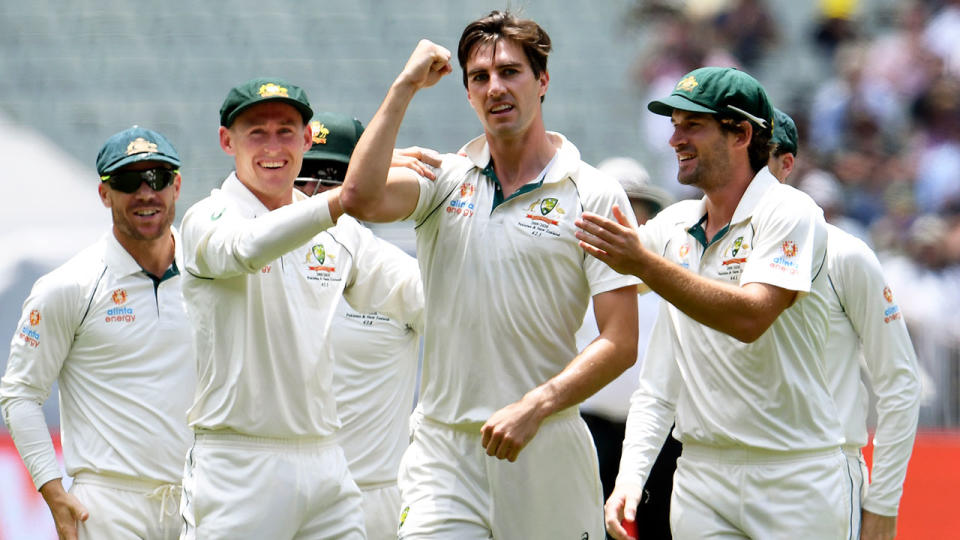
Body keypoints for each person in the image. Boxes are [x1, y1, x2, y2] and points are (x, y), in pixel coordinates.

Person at [340, 11, 641, 540]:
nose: (495, 87)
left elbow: (620, 341)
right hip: (444, 453)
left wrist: (536, 405)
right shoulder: (444, 179)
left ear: (542, 81)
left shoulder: (592, 193)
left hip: (545, 443)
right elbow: (359, 197)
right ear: (466, 92)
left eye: (510, 72)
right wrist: (405, 86)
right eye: (479, 77)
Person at [575, 67, 854, 539]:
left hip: (795, 478)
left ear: (741, 133)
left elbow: (750, 316)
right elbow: (660, 384)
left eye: (692, 125)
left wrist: (645, 265)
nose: (674, 139)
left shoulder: (791, 212)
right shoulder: (675, 225)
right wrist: (629, 477)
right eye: (674, 124)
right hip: (701, 478)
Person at [178, 78, 422, 539]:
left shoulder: (342, 235)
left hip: (327, 463)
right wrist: (341, 197)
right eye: (257, 132)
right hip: (239, 467)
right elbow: (246, 248)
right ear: (226, 141)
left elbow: (423, 297)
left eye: (286, 131)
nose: (274, 146)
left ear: (306, 139)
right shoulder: (207, 219)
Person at [0, 126, 194, 540]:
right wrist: (52, 491)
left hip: (201, 499)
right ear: (105, 194)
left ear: (176, 185)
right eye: (128, 181)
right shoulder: (68, 286)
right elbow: (20, 394)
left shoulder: (209, 275)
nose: (145, 192)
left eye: (157, 178)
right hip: (110, 506)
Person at [769, 108, 921, 540]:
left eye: (764, 156)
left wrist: (884, 502)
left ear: (786, 165)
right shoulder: (708, 246)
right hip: (722, 475)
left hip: (821, 477)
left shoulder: (845, 253)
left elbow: (900, 381)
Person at [296, 111, 424, 540]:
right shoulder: (250, 268)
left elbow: (472, 328)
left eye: (332, 176)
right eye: (303, 175)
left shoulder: (396, 274)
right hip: (284, 496)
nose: (313, 192)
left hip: (375, 503)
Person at [575, 157, 680, 540]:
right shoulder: (571, 271)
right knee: (589, 523)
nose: (620, 214)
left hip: (659, 427)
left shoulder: (671, 273)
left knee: (661, 526)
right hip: (591, 423)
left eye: (632, 204)